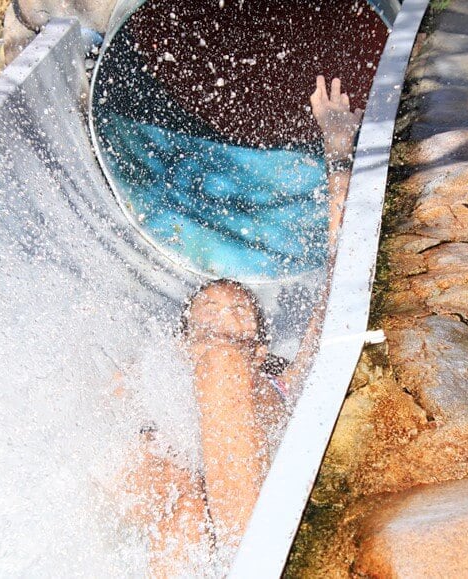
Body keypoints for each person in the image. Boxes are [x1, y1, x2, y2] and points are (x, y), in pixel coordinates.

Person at [122, 76, 363, 575]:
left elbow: (339, 284)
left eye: (236, 317)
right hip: (188, 541)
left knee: (219, 373)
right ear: (182, 342)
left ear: (260, 348)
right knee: (175, 488)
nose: (221, 326)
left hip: (252, 540)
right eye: (207, 319)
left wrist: (338, 155)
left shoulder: (278, 384)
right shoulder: (160, 396)